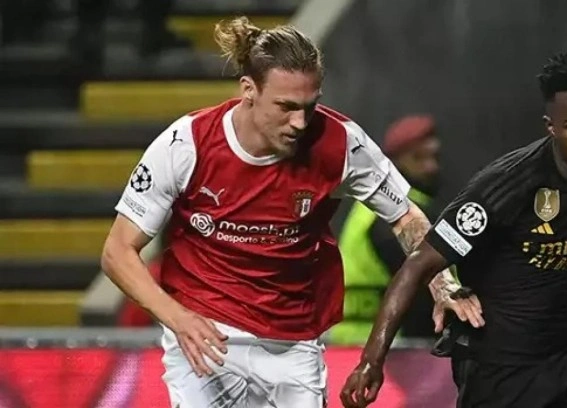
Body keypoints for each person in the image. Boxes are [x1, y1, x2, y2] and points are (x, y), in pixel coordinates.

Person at [100, 16, 482, 408]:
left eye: (309, 107)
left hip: (293, 338)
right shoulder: (186, 144)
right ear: (249, 90)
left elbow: (406, 215)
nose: (299, 123)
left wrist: (443, 284)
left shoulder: (341, 143)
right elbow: (117, 251)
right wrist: (177, 318)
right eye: (285, 107)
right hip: (206, 332)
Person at [340, 49, 567, 408]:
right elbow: (417, 266)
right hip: (499, 365)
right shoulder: (506, 185)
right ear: (551, 127)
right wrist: (371, 361)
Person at [333, 114, 443, 344]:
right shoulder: (393, 212)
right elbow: (420, 287)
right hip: (383, 343)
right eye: (418, 157)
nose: (431, 167)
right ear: (393, 163)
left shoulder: (371, 208)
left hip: (363, 339)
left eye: (434, 157)